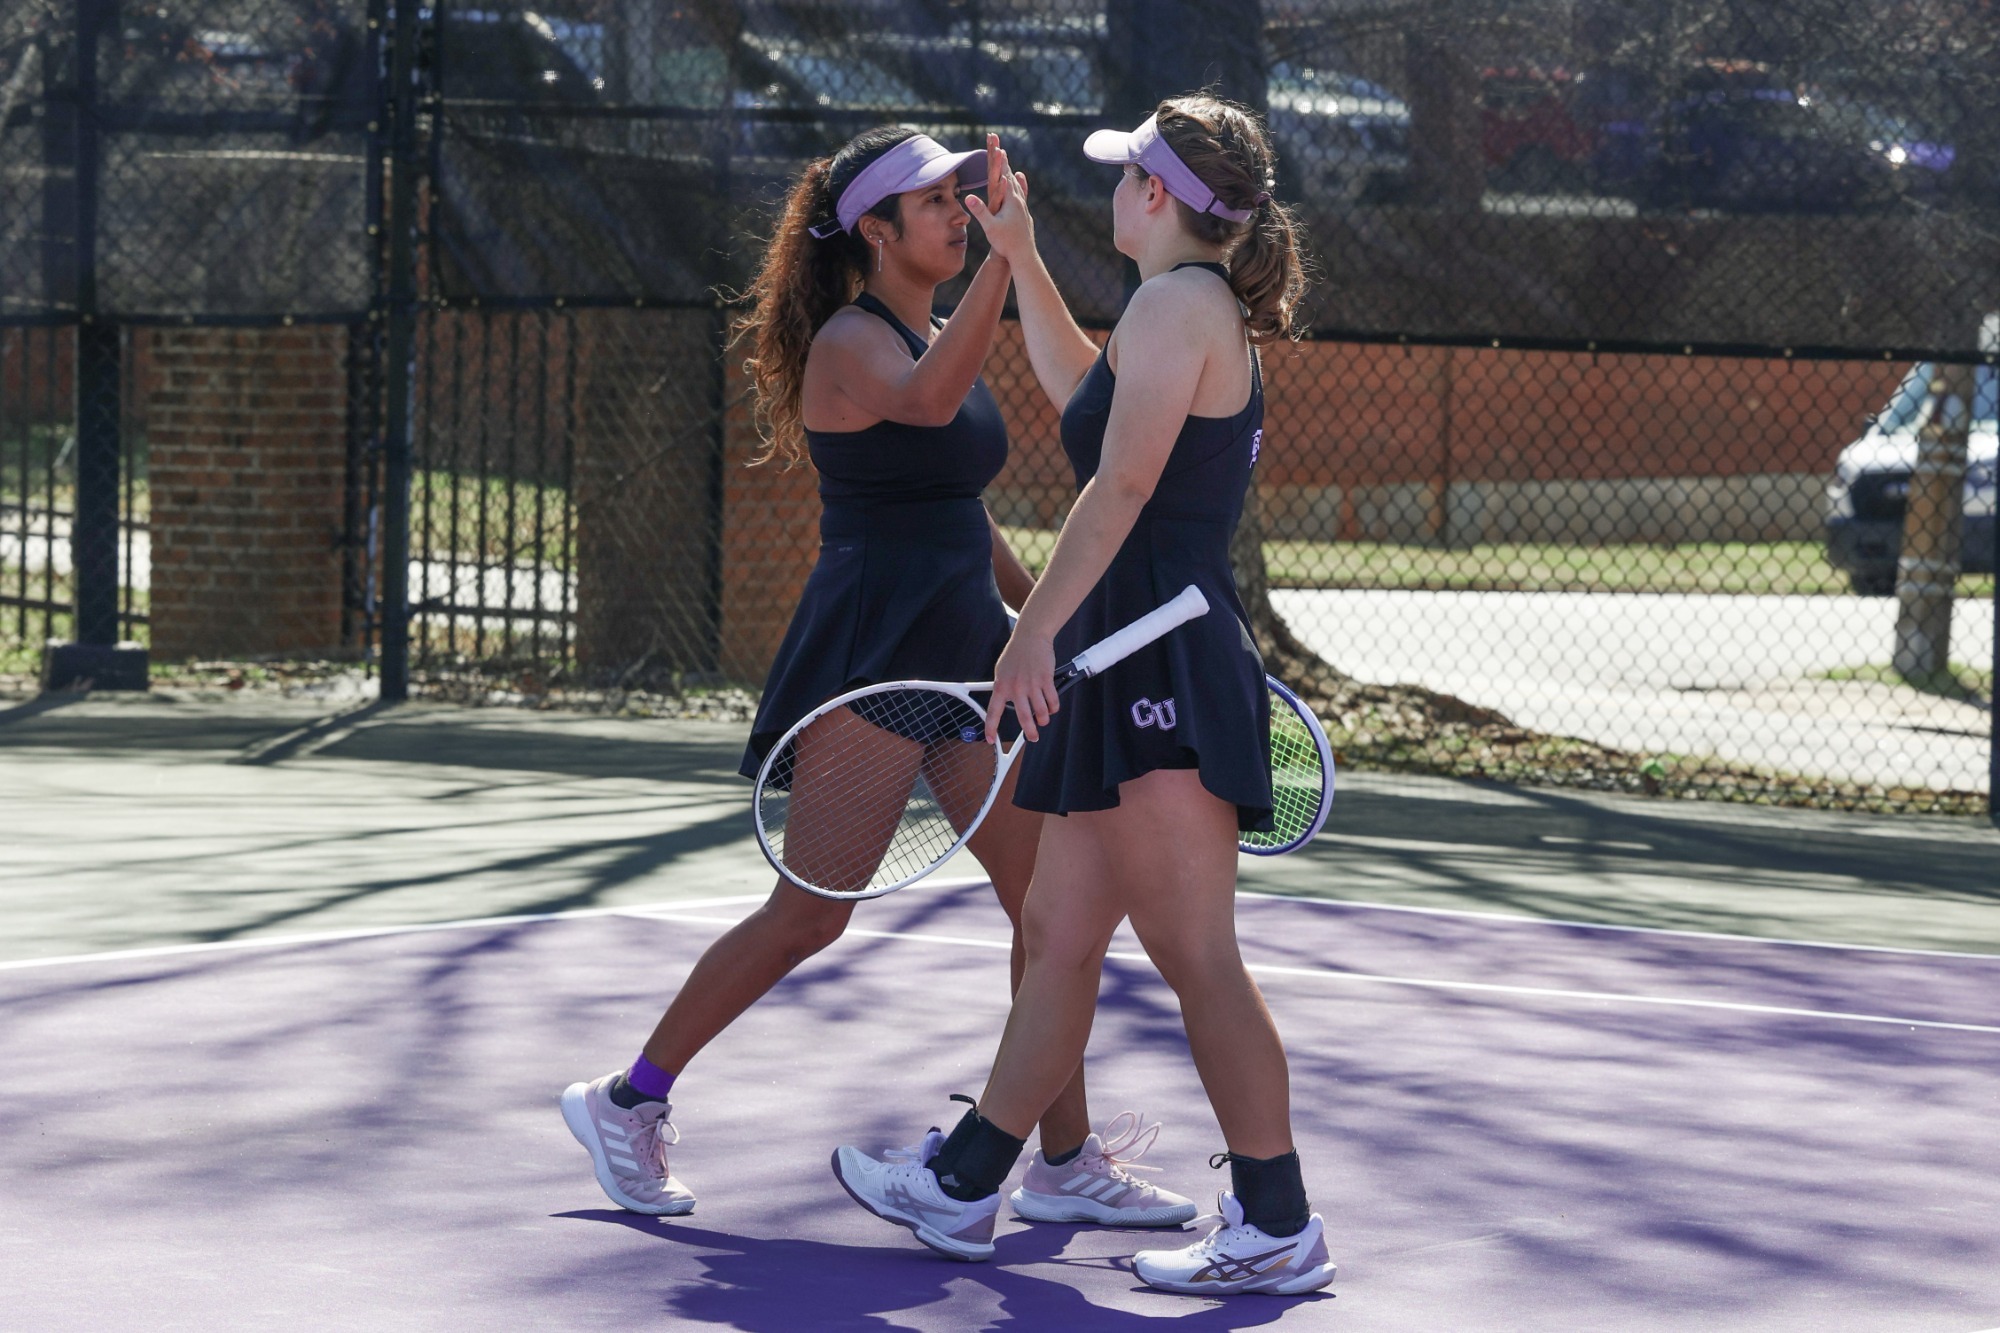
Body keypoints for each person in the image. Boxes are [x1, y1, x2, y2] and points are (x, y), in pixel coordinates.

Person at [559, 125, 1194, 1231]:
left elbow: (957, 502)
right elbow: (930, 409)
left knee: (1046, 915)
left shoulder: (936, 328)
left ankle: (1061, 1159)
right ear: (873, 229)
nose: (958, 210)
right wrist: (1007, 255)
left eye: (964, 196)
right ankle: (626, 1100)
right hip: (872, 661)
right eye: (936, 200)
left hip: (967, 661)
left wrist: (1038, 610)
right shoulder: (851, 344)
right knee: (809, 915)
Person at [829, 95, 1335, 1297]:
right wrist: (1019, 258)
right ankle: (963, 1187)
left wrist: (1029, 639)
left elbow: (1114, 493)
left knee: (1193, 951)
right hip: (1122, 660)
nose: (1109, 186)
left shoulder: (1179, 307)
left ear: (1156, 195)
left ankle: (1276, 1220)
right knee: (1056, 936)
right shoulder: (1170, 310)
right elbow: (1086, 403)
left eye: (1124, 173)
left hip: (1152, 660)